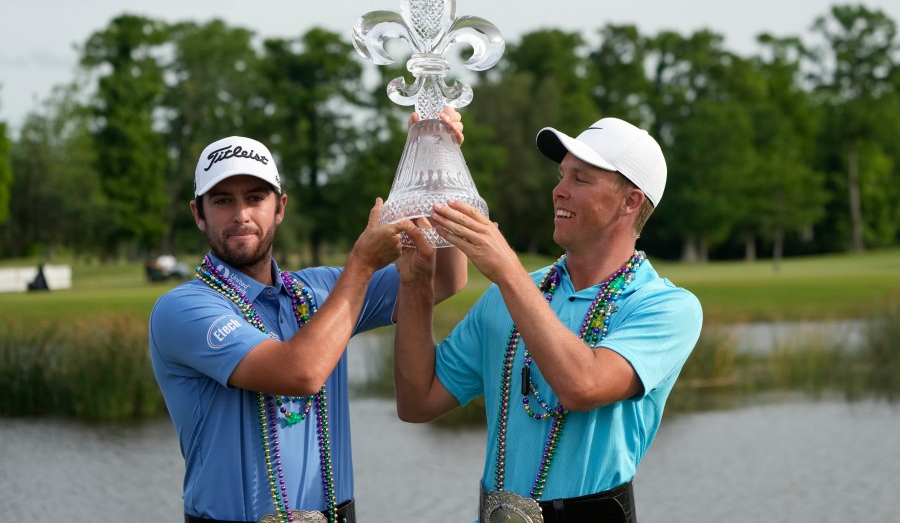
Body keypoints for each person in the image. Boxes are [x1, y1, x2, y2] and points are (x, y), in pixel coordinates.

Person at [149, 109, 467, 523]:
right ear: (198, 214)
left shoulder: (317, 290)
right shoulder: (183, 308)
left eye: (255, 198)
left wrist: (439, 162)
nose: (241, 215)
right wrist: (361, 263)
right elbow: (299, 373)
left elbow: (444, 278)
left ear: (279, 207)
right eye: (223, 200)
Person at [393, 117, 703, 523]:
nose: (559, 190)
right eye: (561, 175)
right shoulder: (509, 295)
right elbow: (418, 402)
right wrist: (416, 288)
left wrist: (507, 270)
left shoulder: (666, 307)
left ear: (630, 201)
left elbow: (583, 385)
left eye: (581, 179)